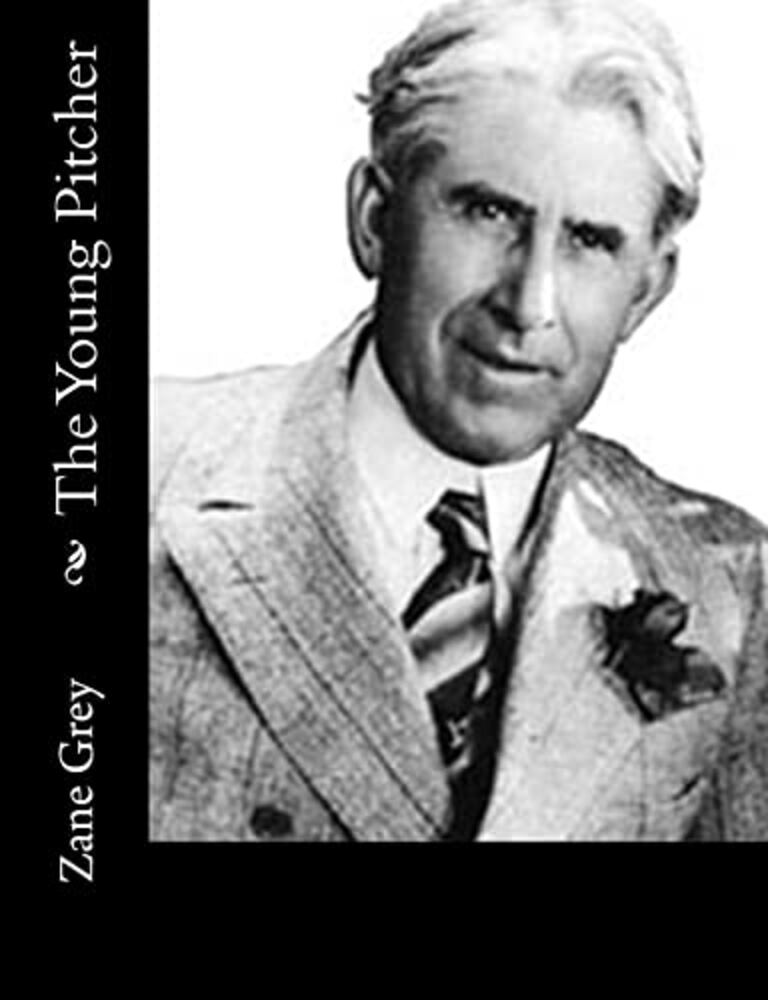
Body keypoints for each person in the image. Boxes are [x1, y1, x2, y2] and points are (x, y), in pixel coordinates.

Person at [150, 0, 767, 841]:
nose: (530, 304)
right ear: (375, 219)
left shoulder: (727, 582)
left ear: (647, 291)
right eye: (489, 213)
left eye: (590, 241)